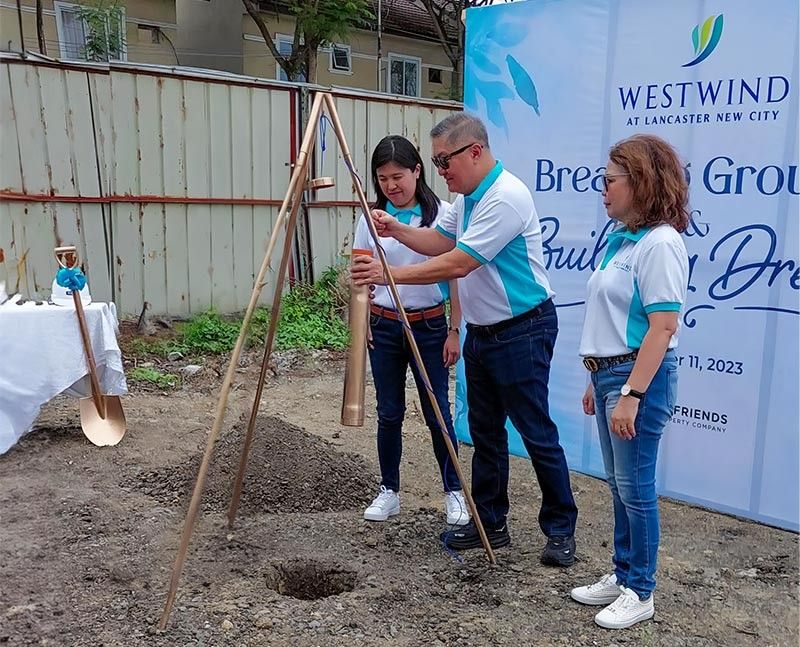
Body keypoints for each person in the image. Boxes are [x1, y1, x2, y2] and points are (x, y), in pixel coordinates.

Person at [351, 114, 578, 566]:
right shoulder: (467, 197)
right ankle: (490, 521)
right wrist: (394, 228)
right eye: (435, 162)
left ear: (473, 151)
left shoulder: (505, 197)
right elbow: (437, 240)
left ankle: (559, 528)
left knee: (536, 432)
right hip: (485, 331)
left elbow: (459, 262)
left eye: (442, 161)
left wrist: (388, 273)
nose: (440, 172)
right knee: (486, 433)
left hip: (523, 328)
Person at [570, 134, 689, 629]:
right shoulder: (625, 241)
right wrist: (597, 380)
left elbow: (662, 327)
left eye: (610, 180)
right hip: (612, 374)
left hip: (638, 378)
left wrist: (631, 393)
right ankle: (623, 576)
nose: (602, 190)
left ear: (640, 182)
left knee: (636, 488)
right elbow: (615, 320)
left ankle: (641, 589)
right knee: (620, 486)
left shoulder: (661, 243)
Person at [354, 135, 469, 527]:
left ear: (417, 171)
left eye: (398, 176)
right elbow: (359, 270)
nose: (391, 186)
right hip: (384, 326)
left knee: (437, 411)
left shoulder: (443, 215)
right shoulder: (370, 218)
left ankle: (454, 492)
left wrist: (455, 328)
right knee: (389, 411)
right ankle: (389, 490)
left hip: (429, 325)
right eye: (382, 178)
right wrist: (362, 315)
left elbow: (455, 274)